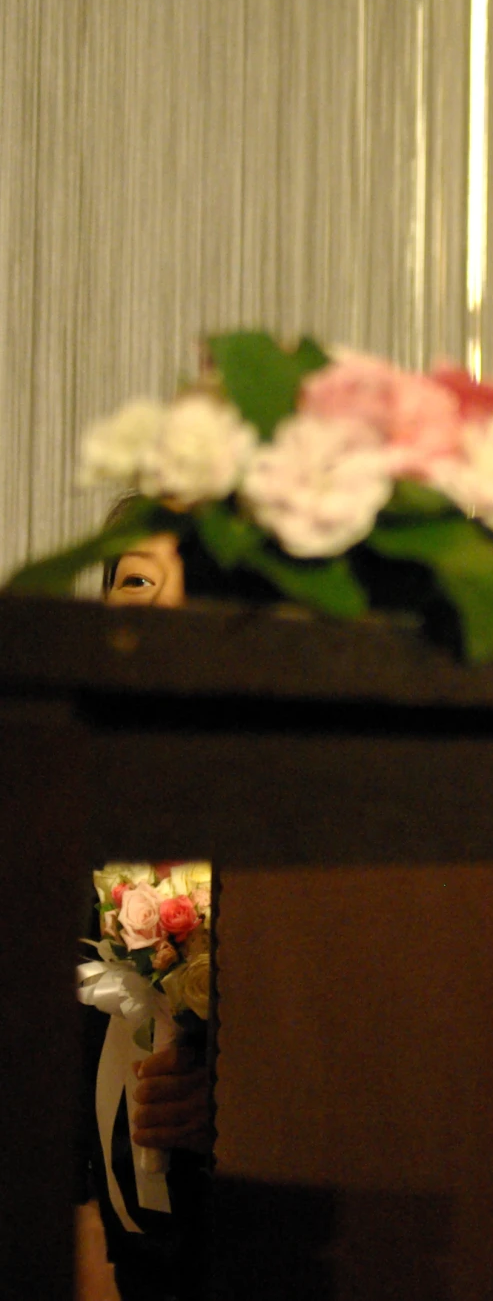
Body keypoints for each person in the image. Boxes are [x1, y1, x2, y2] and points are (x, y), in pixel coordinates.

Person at [76, 526, 214, 1301]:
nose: (160, 597)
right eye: (133, 579)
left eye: (184, 576)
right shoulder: (70, 785)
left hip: (256, 1216)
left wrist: (233, 1103)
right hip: (124, 1229)